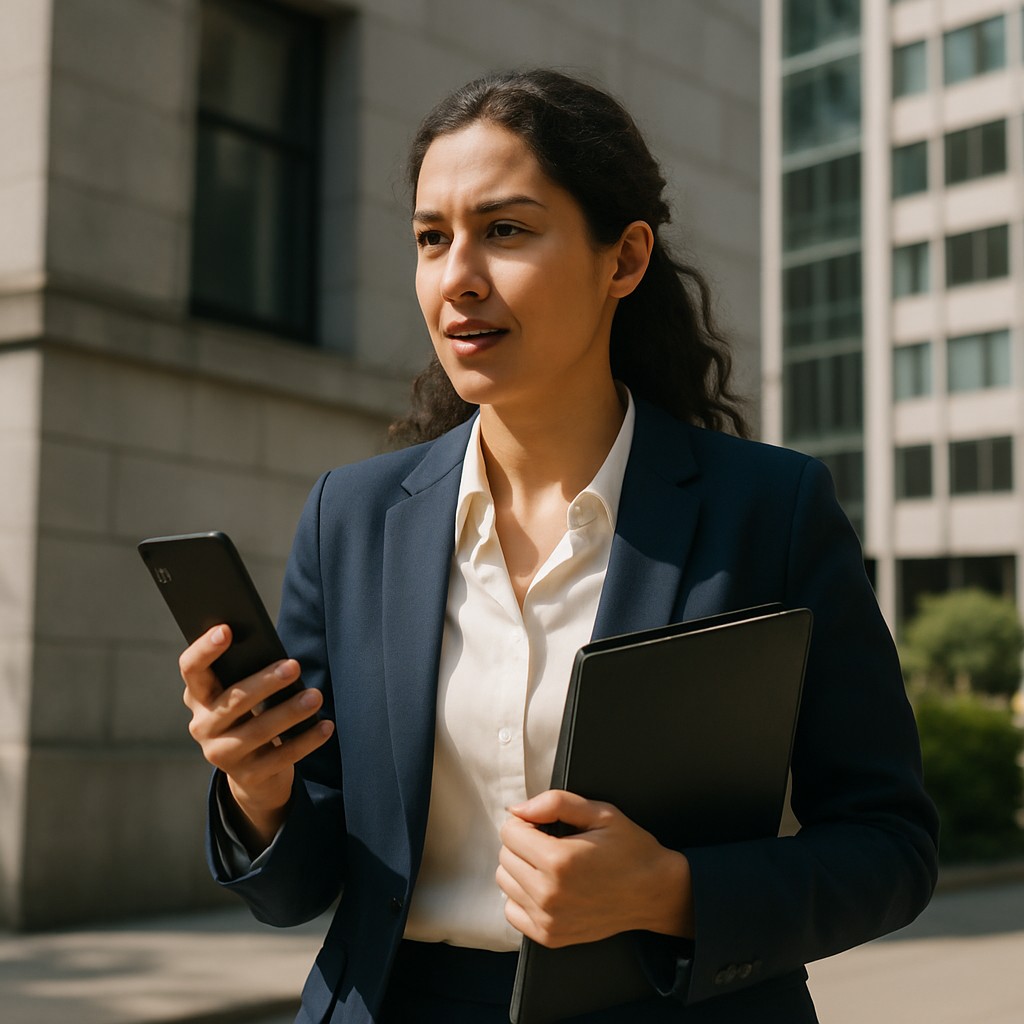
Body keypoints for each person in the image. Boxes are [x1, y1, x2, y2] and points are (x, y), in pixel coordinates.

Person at [179, 69, 939, 1024]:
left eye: (504, 230)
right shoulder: (352, 517)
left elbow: (891, 847)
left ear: (623, 260)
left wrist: (668, 891)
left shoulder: (769, 510)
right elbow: (294, 890)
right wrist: (259, 787)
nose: (458, 275)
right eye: (431, 238)